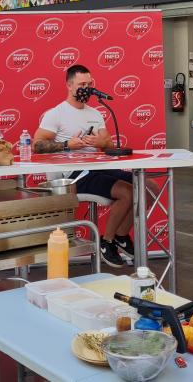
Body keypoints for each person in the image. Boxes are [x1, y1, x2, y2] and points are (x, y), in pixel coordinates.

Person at [32, 64, 135, 268]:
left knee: (148, 188)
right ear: (69, 86)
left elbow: (109, 144)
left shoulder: (95, 113)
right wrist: (66, 145)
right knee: (128, 193)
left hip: (97, 167)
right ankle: (106, 242)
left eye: (89, 84)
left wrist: (99, 143)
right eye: (81, 84)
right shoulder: (57, 113)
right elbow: (37, 144)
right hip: (74, 175)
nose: (86, 88)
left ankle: (121, 236)